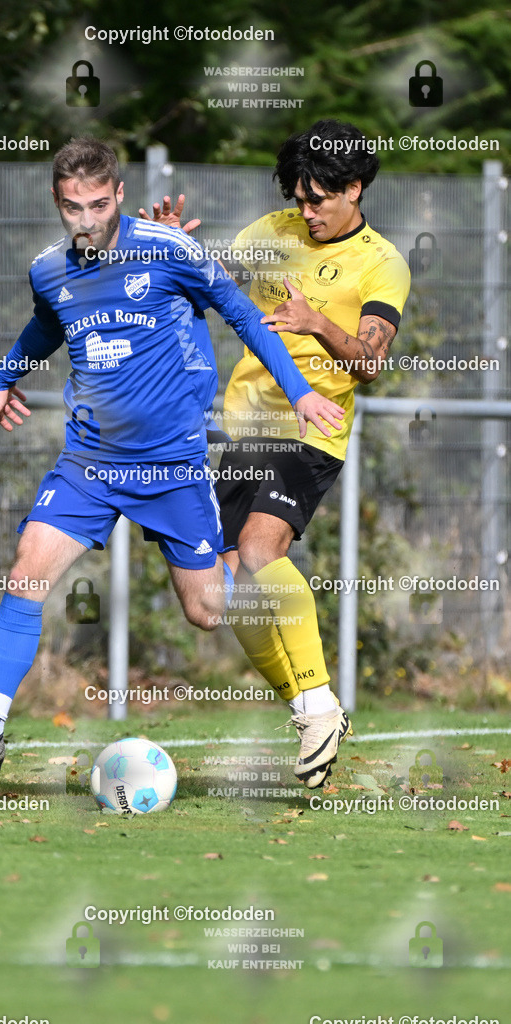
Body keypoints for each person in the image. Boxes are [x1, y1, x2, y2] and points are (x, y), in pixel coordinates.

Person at [0, 136, 344, 778]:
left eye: (98, 204)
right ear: (57, 204)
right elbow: (46, 323)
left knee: (206, 613)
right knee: (26, 572)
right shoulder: (49, 269)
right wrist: (7, 373)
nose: (87, 220)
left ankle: (313, 691)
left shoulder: (170, 250)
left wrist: (303, 393)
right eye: (73, 208)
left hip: (172, 468)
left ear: (119, 194)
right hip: (89, 463)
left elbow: (246, 319)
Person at [142, 119, 410, 789]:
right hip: (244, 430)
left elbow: (372, 362)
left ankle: (320, 705)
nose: (306, 209)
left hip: (310, 429)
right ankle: (307, 710)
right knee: (226, 596)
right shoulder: (269, 234)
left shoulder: (381, 261)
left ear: (354, 190)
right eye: (299, 196)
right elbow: (216, 293)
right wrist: (178, 249)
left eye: (319, 198)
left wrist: (318, 323)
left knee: (263, 553)